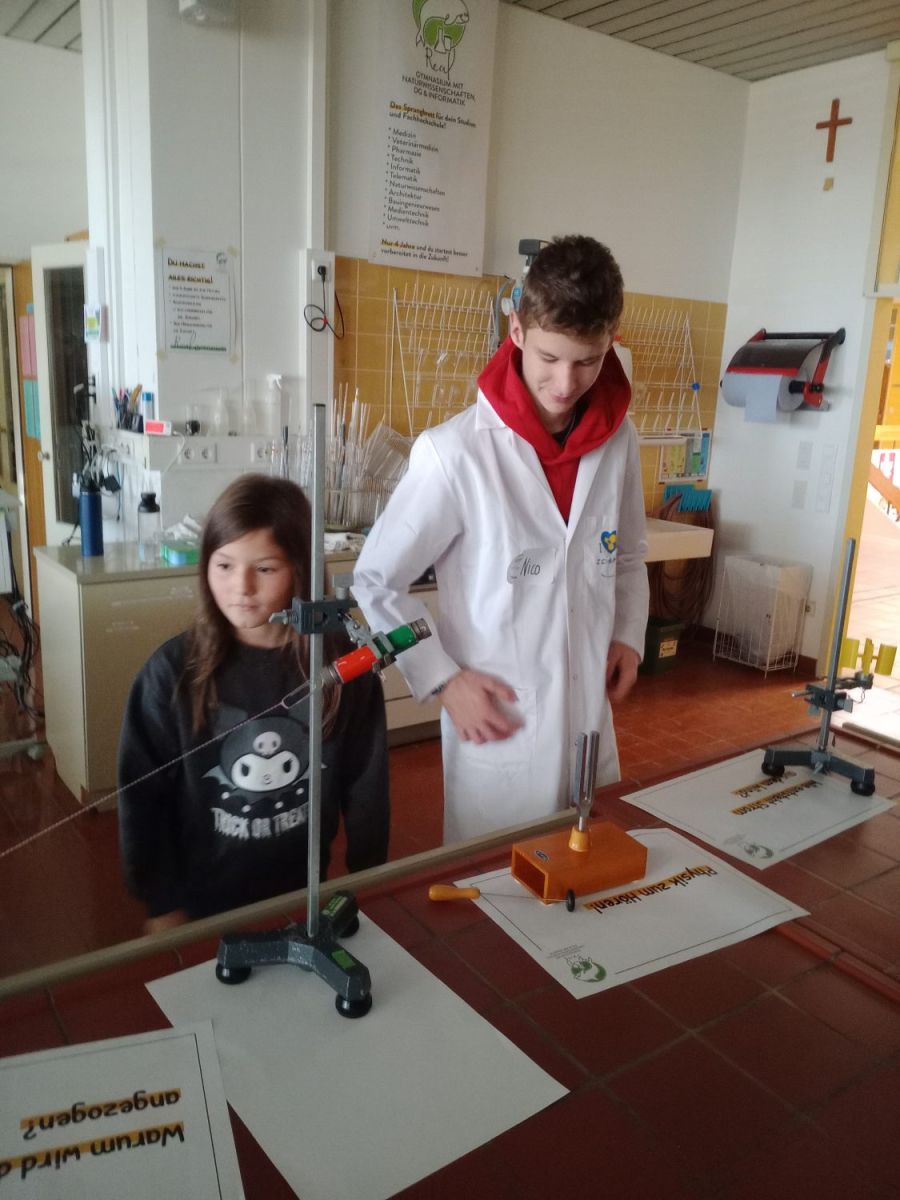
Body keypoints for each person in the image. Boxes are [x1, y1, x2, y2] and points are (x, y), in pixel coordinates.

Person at [353, 234, 648, 843]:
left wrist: (627, 633)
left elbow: (627, 555)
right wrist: (442, 679)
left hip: (587, 721)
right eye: (549, 357)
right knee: (495, 883)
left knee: (584, 866)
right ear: (516, 330)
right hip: (500, 724)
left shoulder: (619, 441)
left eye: (587, 361)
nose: (565, 383)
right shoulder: (454, 454)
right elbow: (376, 580)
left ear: (610, 343)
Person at [118, 474, 389, 934]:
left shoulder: (343, 668)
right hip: (200, 906)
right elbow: (141, 798)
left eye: (264, 569)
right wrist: (161, 901)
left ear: (300, 571)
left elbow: (368, 785)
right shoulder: (171, 673)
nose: (241, 586)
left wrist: (369, 879)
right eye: (224, 565)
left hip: (304, 895)